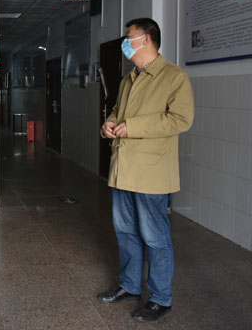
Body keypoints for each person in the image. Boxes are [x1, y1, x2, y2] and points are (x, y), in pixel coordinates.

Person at [97, 18, 194, 322]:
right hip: (123, 170)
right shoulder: (128, 79)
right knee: (125, 232)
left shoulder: (174, 77)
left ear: (147, 40)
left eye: (129, 38)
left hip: (151, 173)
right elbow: (118, 111)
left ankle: (160, 298)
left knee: (155, 237)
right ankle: (129, 285)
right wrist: (109, 124)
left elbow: (180, 119)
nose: (125, 44)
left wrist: (133, 127)